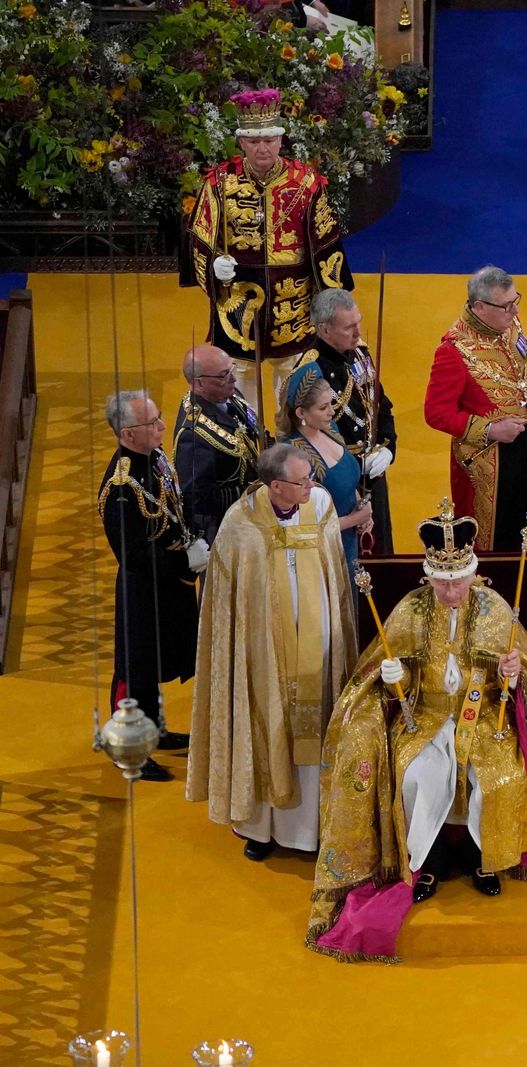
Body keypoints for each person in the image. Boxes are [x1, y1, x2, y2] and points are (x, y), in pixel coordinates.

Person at [308, 502, 527, 962]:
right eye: (443, 583)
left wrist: (512, 674)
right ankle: (430, 862)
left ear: (473, 575)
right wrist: (392, 675)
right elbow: (377, 671)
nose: (452, 591)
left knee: (496, 780)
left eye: (459, 581)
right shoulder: (412, 610)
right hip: (425, 719)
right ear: (429, 579)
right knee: (420, 776)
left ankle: (485, 862)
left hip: (486, 719)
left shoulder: (495, 608)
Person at [187, 444, 358, 860]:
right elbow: (230, 604)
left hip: (318, 645)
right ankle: (261, 829)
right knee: (266, 722)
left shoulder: (319, 505)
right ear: (276, 485)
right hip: (264, 652)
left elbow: (334, 571)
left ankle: (314, 830)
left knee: (316, 724)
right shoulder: (241, 524)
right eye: (301, 480)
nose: (311, 485)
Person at [184, 87, 353, 415]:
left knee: (293, 373)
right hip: (236, 300)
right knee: (237, 375)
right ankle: (247, 437)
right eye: (254, 141)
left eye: (269, 140)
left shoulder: (305, 183)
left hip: (293, 299)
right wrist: (214, 263)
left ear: (280, 140)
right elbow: (201, 236)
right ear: (242, 142)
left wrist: (334, 305)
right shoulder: (219, 183)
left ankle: (293, 435)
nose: (262, 148)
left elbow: (326, 242)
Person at [99, 390, 208, 782]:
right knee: (135, 668)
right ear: (128, 434)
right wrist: (184, 561)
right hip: (142, 590)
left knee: (160, 660)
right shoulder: (121, 488)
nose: (163, 427)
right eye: (152, 423)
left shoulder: (156, 457)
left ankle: (154, 729)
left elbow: (173, 507)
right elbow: (134, 556)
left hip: (171, 584)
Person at [424, 266, 527, 552]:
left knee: (519, 525)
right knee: (489, 540)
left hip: (522, 448)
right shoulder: (452, 351)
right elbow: (436, 412)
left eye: (516, 301)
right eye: (506, 306)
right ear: (479, 306)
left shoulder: (505, 321)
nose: (514, 312)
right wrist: (490, 429)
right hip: (487, 462)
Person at [301, 288, 396, 554]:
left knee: (381, 550)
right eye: (349, 327)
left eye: (358, 323)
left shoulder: (359, 353)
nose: (357, 332)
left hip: (374, 470)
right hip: (340, 481)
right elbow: (308, 437)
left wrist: (389, 448)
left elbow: (381, 404)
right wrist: (352, 465)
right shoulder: (311, 370)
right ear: (324, 330)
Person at [279, 363, 372, 587]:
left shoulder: (331, 430)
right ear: (301, 412)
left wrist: (362, 508)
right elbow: (301, 528)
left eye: (331, 403)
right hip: (322, 557)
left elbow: (348, 480)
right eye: (323, 408)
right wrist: (355, 520)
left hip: (349, 543)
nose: (331, 411)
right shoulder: (294, 456)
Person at [173, 345, 264, 547]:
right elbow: (198, 501)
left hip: (252, 517)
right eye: (223, 375)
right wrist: (255, 490)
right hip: (225, 531)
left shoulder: (229, 394)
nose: (233, 379)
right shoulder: (194, 436)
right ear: (199, 384)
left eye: (231, 369)